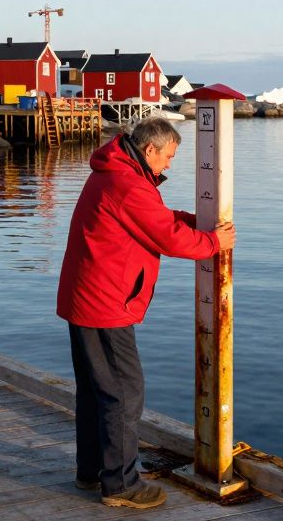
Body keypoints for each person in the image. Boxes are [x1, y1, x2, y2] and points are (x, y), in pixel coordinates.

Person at [57, 117, 236, 509]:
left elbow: (154, 219)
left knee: (95, 391)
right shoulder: (127, 183)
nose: (170, 165)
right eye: (169, 157)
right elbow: (167, 238)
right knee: (123, 393)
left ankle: (93, 472)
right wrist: (212, 241)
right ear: (150, 150)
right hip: (105, 303)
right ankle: (121, 485)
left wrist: (193, 221)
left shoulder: (118, 172)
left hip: (86, 297)